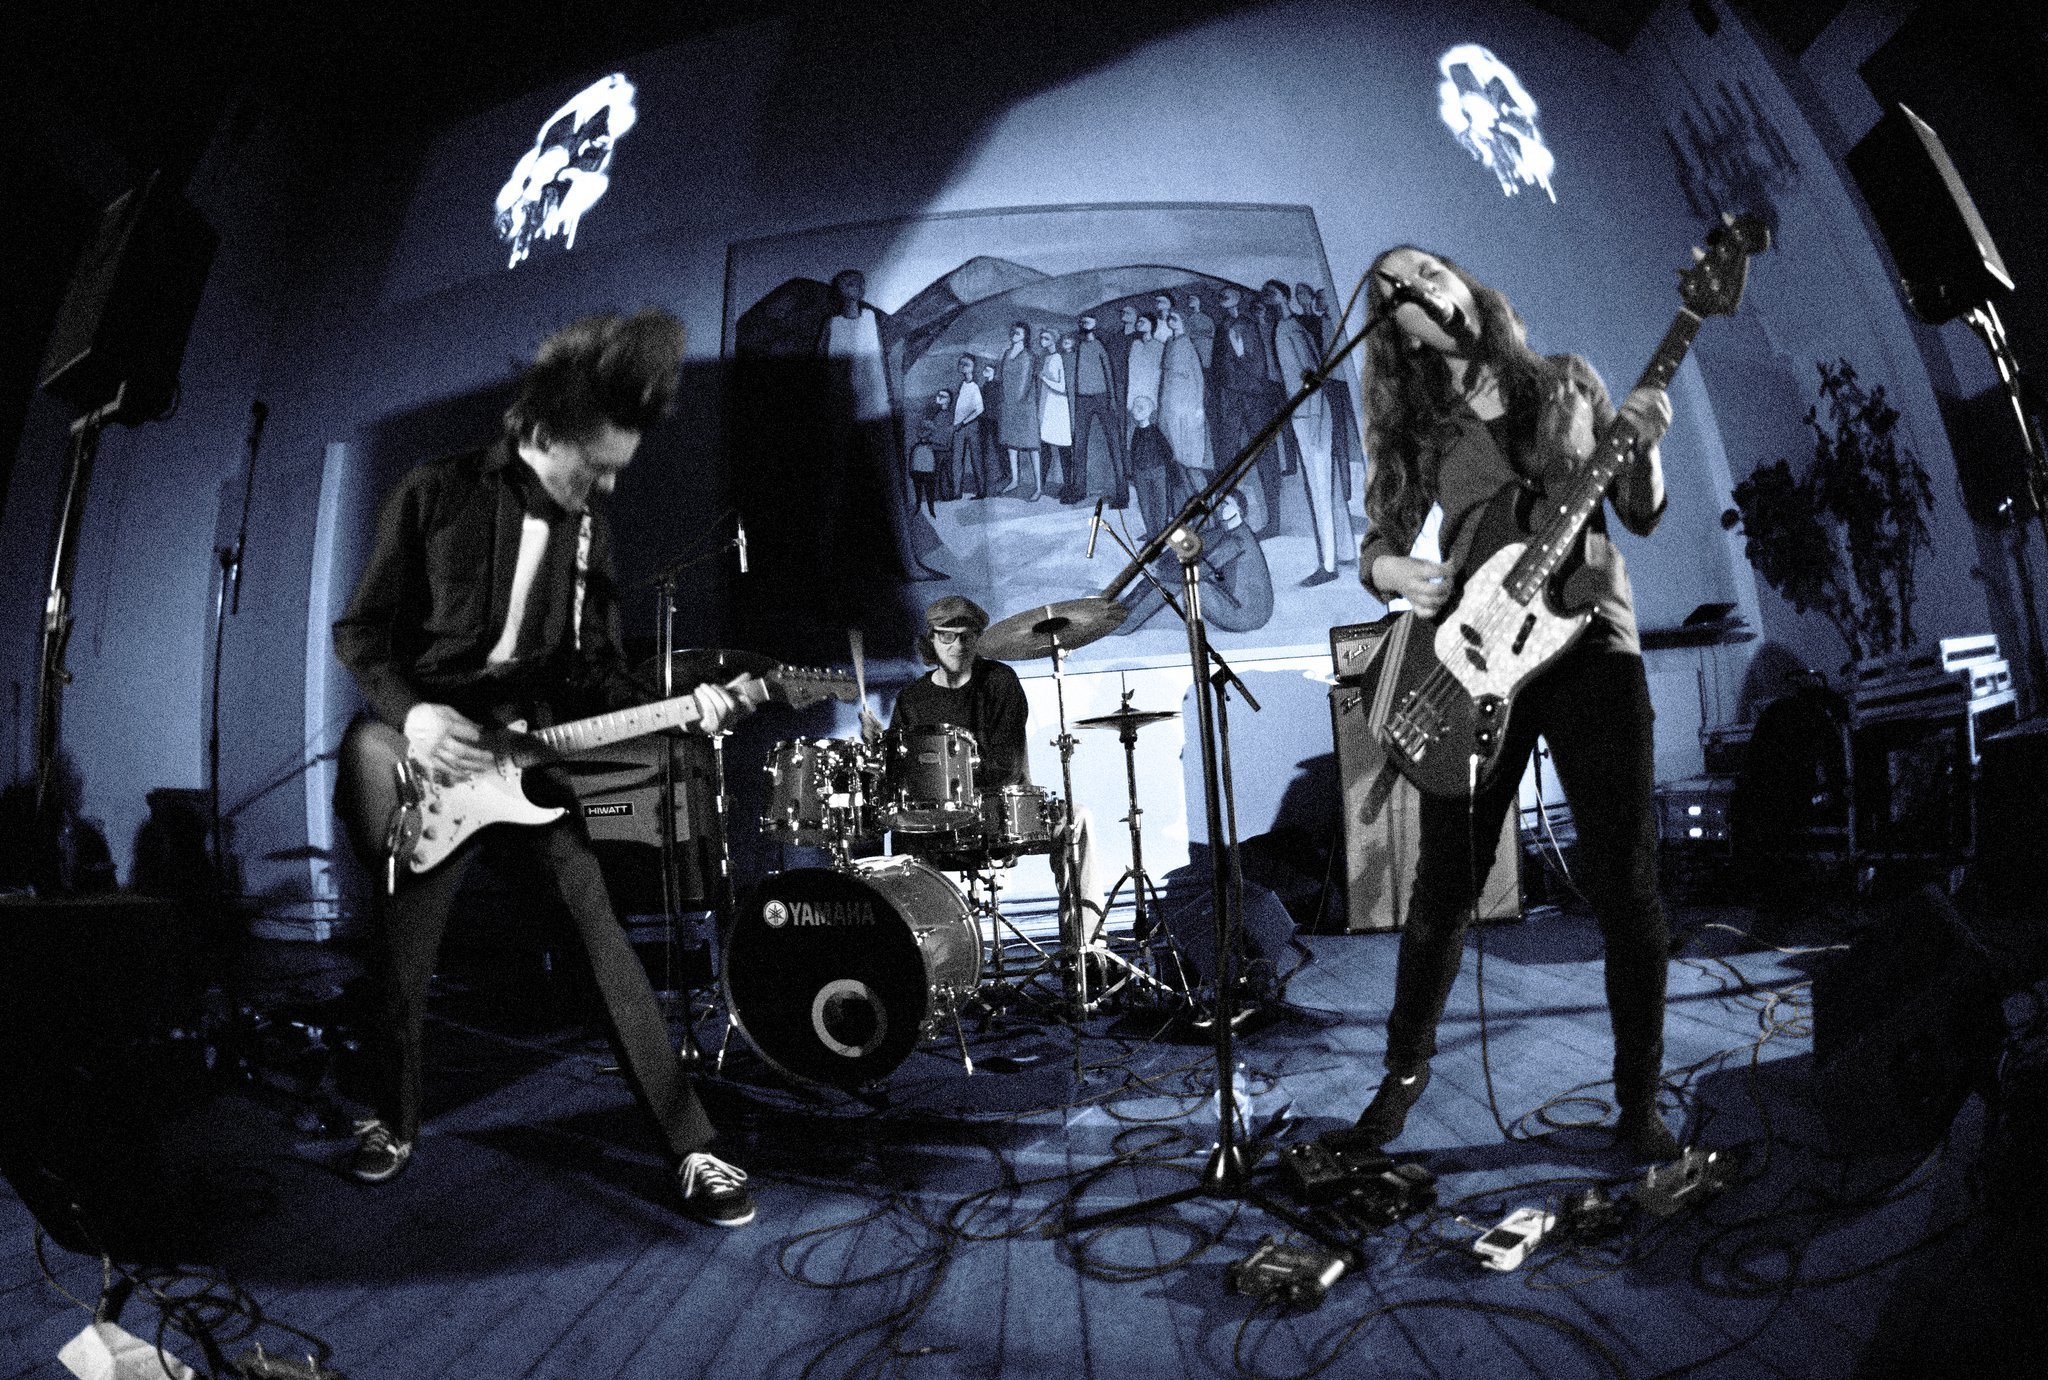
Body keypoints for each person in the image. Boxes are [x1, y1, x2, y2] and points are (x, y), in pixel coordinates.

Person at [332, 309, 758, 1227]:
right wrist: (416, 716)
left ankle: (693, 1146)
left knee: (605, 945)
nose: (608, 484)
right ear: (546, 431)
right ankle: (390, 1121)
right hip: (422, 763)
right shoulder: (435, 491)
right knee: (402, 966)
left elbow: (596, 676)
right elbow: (359, 632)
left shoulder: (589, 534)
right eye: (597, 465)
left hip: (526, 762)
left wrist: (688, 703)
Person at [1335, 246, 1678, 1161]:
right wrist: (1390, 570)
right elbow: (1380, 538)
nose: (1421, 288)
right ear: (1401, 332)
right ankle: (1401, 1081)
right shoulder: (1420, 427)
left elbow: (1641, 511)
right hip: (1476, 657)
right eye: (1398, 289)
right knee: (1445, 884)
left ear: (1462, 284)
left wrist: (1644, 449)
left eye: (1428, 270)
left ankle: (1639, 1102)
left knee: (1626, 878)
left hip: (1591, 638)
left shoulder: (1565, 381)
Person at [861, 597, 1106, 944]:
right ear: (931, 639)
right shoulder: (911, 698)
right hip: (938, 825)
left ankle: (1085, 950)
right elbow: (902, 773)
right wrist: (882, 746)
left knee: (1077, 820)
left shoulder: (1000, 681)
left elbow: (1006, 766)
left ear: (978, 639)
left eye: (967, 636)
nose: (957, 645)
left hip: (1000, 812)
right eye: (947, 636)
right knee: (901, 837)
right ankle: (932, 955)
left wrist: (944, 780)